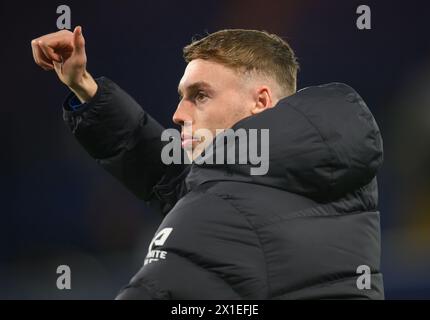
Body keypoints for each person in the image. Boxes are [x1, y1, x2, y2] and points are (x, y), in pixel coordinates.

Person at [31, 26, 384, 299]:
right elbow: (177, 180)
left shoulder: (220, 209)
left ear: (260, 101)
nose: (178, 113)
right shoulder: (328, 173)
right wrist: (85, 88)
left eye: (200, 95)